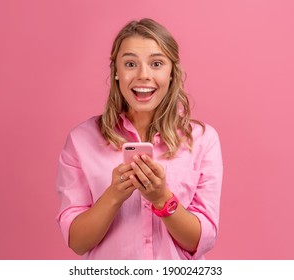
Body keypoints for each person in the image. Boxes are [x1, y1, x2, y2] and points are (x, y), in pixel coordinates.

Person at [56, 18, 223, 260]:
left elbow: (201, 241)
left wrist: (162, 199)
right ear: (116, 72)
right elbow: (78, 242)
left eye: (156, 63)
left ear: (172, 73)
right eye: (130, 63)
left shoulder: (202, 140)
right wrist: (114, 195)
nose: (143, 75)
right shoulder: (81, 140)